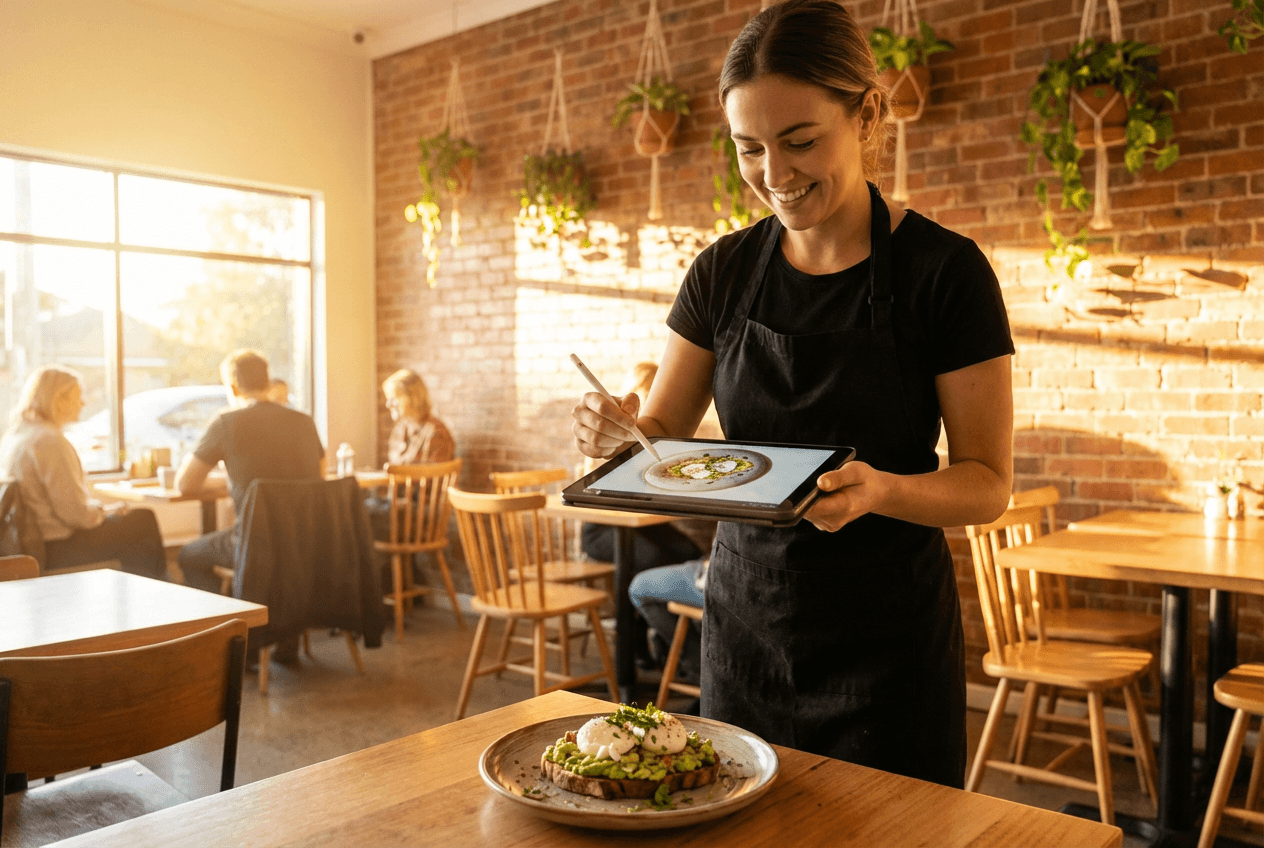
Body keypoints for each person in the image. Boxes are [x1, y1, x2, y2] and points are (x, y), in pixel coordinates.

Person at [572, 0, 1014, 789]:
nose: (774, 175)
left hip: (889, 640)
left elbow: (987, 485)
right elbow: (661, 429)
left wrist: (879, 490)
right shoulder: (721, 272)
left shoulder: (945, 273)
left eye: (801, 140)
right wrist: (618, 434)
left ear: (868, 114)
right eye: (749, 148)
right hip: (746, 625)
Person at [175, 349, 325, 596]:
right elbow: (319, 480)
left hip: (255, 543)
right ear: (267, 382)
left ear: (233, 387)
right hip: (306, 541)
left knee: (189, 555)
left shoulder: (226, 423)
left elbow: (185, 484)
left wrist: (228, 486)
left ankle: (227, 625)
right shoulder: (304, 422)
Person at [0, 365, 167, 579]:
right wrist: (105, 511)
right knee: (142, 521)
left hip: (26, 545)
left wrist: (104, 512)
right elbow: (76, 515)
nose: (83, 403)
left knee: (131, 532)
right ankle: (158, 591)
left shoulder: (15, 436)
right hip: (54, 548)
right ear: (58, 400)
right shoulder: (49, 441)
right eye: (78, 397)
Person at [579, 362, 703, 573]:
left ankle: (664, 602)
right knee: (653, 558)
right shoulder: (614, 434)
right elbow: (597, 493)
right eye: (654, 394)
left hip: (642, 523)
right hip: (604, 527)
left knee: (690, 552)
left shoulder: (657, 437)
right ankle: (636, 602)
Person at [628, 554, 708, 688]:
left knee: (639, 588)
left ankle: (700, 668)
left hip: (728, 579)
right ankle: (702, 667)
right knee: (684, 551)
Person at [381, 369, 454, 466]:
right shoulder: (400, 430)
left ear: (414, 398)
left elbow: (431, 476)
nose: (388, 404)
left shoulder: (437, 433)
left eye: (395, 397)